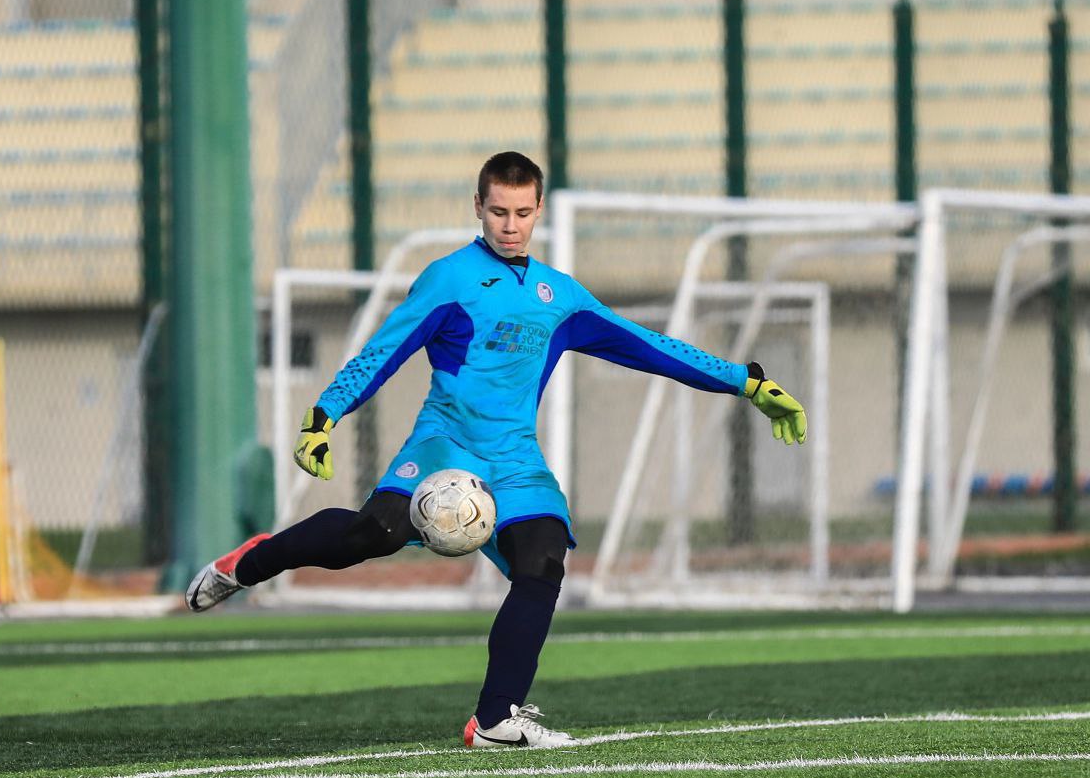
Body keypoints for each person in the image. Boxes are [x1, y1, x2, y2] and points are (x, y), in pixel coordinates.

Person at [186, 152, 806, 747]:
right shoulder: (450, 278)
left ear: (539, 212)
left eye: (523, 213)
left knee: (543, 561)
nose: (511, 226)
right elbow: (385, 349)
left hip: (514, 462)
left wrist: (746, 381)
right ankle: (251, 563)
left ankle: (494, 720)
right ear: (478, 208)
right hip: (443, 444)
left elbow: (647, 346)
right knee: (369, 536)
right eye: (498, 212)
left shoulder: (559, 296)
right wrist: (325, 413)